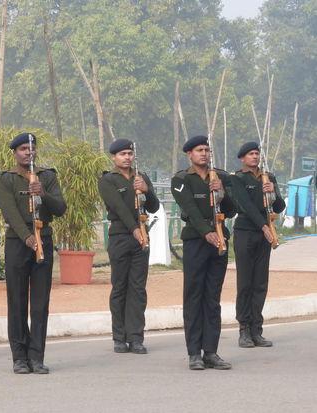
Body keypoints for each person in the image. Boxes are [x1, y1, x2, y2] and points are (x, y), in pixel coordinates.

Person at [0, 132, 67, 374]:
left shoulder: (48, 176)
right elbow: (10, 212)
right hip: (18, 243)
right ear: (15, 153)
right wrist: (27, 237)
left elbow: (60, 209)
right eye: (23, 148)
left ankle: (37, 356)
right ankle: (19, 357)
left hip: (43, 239)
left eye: (31, 148)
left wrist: (43, 193)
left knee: (40, 303)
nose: (28, 152)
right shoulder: (5, 179)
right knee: (16, 301)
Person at [171, 135, 237, 370]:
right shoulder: (181, 179)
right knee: (194, 296)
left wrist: (222, 193)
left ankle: (211, 351)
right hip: (197, 242)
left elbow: (231, 210)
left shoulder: (221, 177)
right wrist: (206, 232)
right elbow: (189, 208)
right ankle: (194, 353)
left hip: (219, 240)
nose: (204, 154)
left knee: (212, 298)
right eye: (199, 150)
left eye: (207, 150)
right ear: (189, 154)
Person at [98, 139, 160, 354]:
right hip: (121, 236)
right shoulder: (108, 180)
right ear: (113, 157)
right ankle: (119, 336)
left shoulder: (140, 177)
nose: (127, 157)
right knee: (120, 286)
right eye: (122, 154)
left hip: (141, 235)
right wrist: (134, 229)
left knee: (138, 287)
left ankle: (136, 337)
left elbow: (154, 206)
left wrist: (146, 190)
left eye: (130, 154)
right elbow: (118, 207)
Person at [231, 142, 285, 348]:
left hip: (264, 234)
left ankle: (257, 329)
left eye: (257, 154)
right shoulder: (237, 179)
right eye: (251, 154)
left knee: (260, 282)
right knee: (245, 282)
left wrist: (273, 192)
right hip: (246, 232)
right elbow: (244, 205)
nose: (255, 157)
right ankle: (243, 328)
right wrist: (264, 227)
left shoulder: (268, 177)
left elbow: (279, 207)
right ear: (243, 158)